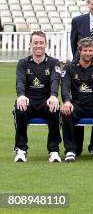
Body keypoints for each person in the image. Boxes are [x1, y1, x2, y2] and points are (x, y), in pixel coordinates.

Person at [60, 38, 93, 163]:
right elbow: (65, 86)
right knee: (65, 112)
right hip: (76, 104)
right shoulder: (69, 68)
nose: (88, 53)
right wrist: (67, 101)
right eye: (85, 50)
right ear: (79, 51)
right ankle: (71, 150)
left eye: (91, 50)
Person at [13, 31, 62, 163]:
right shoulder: (23, 63)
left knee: (55, 107)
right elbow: (20, 81)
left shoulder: (54, 62)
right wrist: (21, 95)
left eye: (41, 43)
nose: (38, 46)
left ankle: (53, 150)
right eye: (35, 43)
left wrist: (53, 96)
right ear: (30, 44)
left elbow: (55, 80)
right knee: (20, 106)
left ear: (46, 44)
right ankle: (21, 149)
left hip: (46, 101)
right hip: (29, 101)